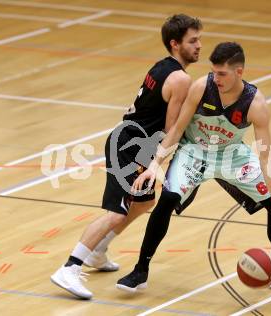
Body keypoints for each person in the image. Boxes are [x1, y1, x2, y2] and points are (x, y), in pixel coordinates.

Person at [116, 42, 271, 296]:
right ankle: (141, 270)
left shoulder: (255, 103)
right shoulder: (201, 87)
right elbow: (177, 129)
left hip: (232, 154)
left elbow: (265, 158)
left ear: (239, 72)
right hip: (194, 150)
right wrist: (155, 165)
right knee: (167, 199)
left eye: (222, 74)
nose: (215, 78)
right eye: (214, 72)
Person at [50, 14, 202, 300]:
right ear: (175, 44)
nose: (199, 46)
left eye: (199, 40)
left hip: (134, 144)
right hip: (128, 148)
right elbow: (171, 129)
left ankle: (98, 250)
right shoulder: (181, 79)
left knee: (144, 203)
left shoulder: (162, 67)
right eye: (192, 41)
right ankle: (70, 267)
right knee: (116, 211)